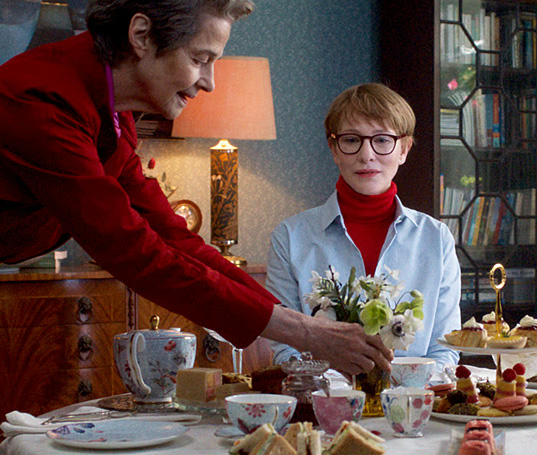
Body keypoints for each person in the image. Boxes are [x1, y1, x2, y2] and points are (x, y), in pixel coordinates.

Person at [0, 0, 391, 376]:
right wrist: (303, 332)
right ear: (141, 36)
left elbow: (174, 237)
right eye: (199, 60)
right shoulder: (43, 102)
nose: (209, 83)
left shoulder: (112, 115)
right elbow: (132, 249)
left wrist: (302, 325)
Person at [265, 83, 461, 368]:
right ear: (334, 149)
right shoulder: (290, 237)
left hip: (416, 402)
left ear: (404, 149)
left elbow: (445, 350)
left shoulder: (436, 238)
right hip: (323, 400)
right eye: (352, 140)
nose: (367, 155)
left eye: (382, 140)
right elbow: (287, 350)